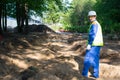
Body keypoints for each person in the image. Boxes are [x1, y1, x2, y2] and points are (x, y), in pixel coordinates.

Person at [82, 11, 103, 78]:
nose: (91, 18)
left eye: (92, 16)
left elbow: (92, 34)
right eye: (90, 16)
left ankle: (84, 74)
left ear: (95, 16)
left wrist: (90, 44)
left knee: (88, 58)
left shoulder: (94, 24)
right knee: (95, 59)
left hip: (94, 44)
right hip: (98, 44)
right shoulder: (97, 23)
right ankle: (96, 74)